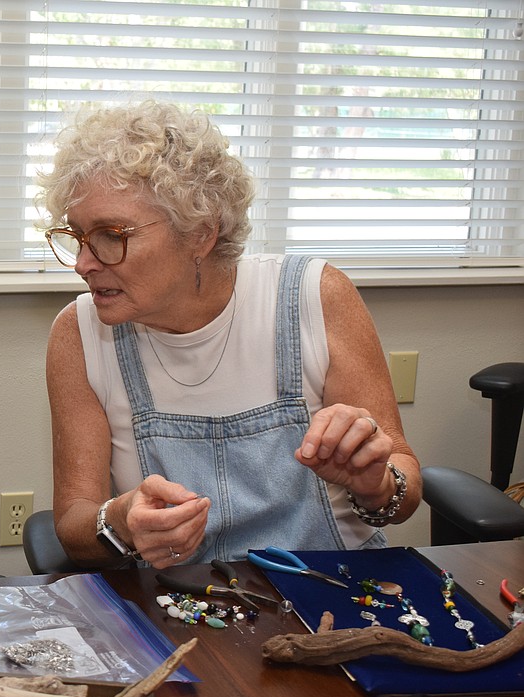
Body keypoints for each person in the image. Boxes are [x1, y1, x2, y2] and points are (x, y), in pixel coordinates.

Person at [37, 100, 422, 570]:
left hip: (330, 582)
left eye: (110, 234)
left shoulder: (313, 296)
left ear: (201, 232)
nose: (83, 263)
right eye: (76, 236)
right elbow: (75, 526)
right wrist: (118, 520)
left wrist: (376, 484)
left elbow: (403, 490)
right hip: (179, 602)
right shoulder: (78, 334)